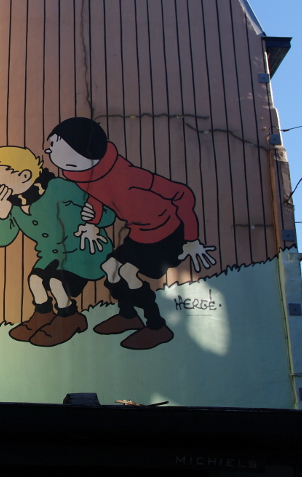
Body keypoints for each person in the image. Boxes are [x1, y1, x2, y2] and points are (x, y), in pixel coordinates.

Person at [46, 117, 216, 350]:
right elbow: (97, 196)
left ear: (82, 149)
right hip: (139, 233)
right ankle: (128, 316)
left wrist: (191, 239)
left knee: (127, 271)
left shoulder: (129, 176)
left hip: (167, 233)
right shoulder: (87, 176)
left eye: (55, 145)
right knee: (110, 267)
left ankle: (157, 326)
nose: (49, 150)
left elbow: (182, 194)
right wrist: (93, 223)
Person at [0, 146, 115, 346]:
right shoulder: (13, 205)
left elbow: (104, 209)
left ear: (24, 175)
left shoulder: (58, 187)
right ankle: (43, 316)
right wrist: (3, 211)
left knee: (57, 282)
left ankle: (70, 318)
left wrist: (94, 221)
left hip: (84, 250)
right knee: (35, 280)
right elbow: (0, 240)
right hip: (51, 256)